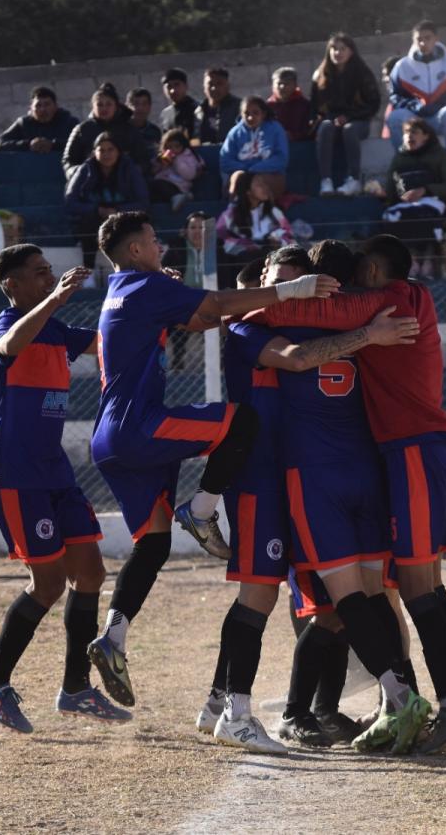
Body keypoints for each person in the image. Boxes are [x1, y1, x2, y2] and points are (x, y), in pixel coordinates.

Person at [83, 210, 337, 723]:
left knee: (152, 546)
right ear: (134, 250)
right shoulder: (142, 285)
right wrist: (292, 292)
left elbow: (201, 317)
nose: (162, 248)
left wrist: (179, 295)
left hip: (110, 437)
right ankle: (201, 510)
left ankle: (113, 635)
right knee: (241, 423)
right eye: (154, 240)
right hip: (140, 428)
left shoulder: (124, 289)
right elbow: (217, 305)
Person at [251, 233, 446, 755]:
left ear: (377, 272)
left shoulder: (390, 301)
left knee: (415, 587)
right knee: (419, 585)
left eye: (360, 275)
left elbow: (327, 312)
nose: (353, 286)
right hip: (407, 454)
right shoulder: (411, 297)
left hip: (411, 452)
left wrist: (249, 304)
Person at [197, 243, 424, 754]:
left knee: (335, 603)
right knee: (266, 594)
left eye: (307, 280)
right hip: (267, 477)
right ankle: (238, 706)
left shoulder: (324, 321)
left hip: (318, 474)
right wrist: (367, 332)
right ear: (264, 279)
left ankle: (337, 704)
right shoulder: (249, 324)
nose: (299, 290)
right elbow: (294, 357)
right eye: (287, 280)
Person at [0, 244, 131, 731]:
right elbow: (10, 345)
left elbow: (110, 340)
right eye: (39, 274)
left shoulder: (56, 331)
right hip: (16, 475)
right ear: (12, 286)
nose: (49, 279)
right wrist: (55, 300)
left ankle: (76, 689)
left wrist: (146, 294)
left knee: (92, 573)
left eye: (50, 273)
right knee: (49, 583)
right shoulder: (7, 325)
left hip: (54, 471)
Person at [65, 132, 151, 279]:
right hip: (94, 217)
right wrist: (96, 210)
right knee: (88, 225)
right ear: (94, 152)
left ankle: (128, 273)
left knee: (126, 229)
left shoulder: (129, 169)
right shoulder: (86, 169)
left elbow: (143, 202)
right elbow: (70, 201)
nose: (106, 154)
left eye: (110, 149)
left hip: (123, 215)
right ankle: (89, 274)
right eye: (101, 150)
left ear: (118, 151)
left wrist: (117, 211)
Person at [381, 117, 446, 278]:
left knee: (425, 216)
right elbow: (392, 188)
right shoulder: (399, 158)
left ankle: (429, 261)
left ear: (426, 136)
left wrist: (425, 190)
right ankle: (412, 262)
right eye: (406, 132)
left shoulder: (440, 155)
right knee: (394, 218)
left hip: (433, 203)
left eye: (414, 132)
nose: (409, 136)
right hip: (405, 204)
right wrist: (384, 193)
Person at [386, 21, 446, 166]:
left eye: (427, 38)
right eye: (419, 39)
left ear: (436, 39)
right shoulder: (402, 66)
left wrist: (441, 105)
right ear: (413, 41)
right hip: (415, 120)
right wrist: (413, 105)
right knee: (395, 117)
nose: (423, 43)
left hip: (441, 118)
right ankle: (404, 166)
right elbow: (394, 96)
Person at [311, 33, 381, 196]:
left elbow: (373, 104)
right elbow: (315, 107)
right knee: (325, 127)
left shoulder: (363, 73)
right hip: (332, 122)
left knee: (349, 129)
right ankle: (326, 181)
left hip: (359, 121)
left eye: (343, 49)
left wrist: (349, 117)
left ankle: (353, 180)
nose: (338, 53)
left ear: (351, 51)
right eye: (334, 49)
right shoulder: (320, 75)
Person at [216, 174, 295, 288]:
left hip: (271, 258)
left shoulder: (273, 212)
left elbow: (288, 235)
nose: (265, 187)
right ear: (248, 191)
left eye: (265, 184)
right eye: (259, 184)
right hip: (242, 263)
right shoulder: (232, 213)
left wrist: (279, 242)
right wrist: (245, 245)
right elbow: (220, 236)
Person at [62, 89, 150, 179]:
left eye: (108, 104)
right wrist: (81, 172)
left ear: (116, 106)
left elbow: (144, 160)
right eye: (100, 105)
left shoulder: (129, 130)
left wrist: (129, 172)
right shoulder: (82, 130)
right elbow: (68, 161)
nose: (104, 108)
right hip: (90, 184)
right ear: (93, 107)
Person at [219, 96, 290, 200]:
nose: (250, 118)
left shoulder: (276, 129)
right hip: (243, 174)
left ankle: (267, 212)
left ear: (263, 114)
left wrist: (256, 169)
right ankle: (235, 212)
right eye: (246, 114)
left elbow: (281, 159)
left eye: (255, 113)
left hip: (269, 175)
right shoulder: (234, 133)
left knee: (259, 183)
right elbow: (225, 161)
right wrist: (245, 170)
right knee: (238, 178)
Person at [0, 86, 79, 154]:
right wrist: (29, 145)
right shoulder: (24, 124)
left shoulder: (68, 121)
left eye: (47, 104)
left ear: (56, 106)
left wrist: (53, 145)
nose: (43, 109)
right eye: (38, 105)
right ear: (31, 108)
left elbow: (82, 144)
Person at [150, 128, 204, 212]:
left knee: (160, 184)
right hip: (164, 182)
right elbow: (153, 171)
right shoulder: (162, 157)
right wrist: (160, 163)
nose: (173, 149)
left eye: (176, 146)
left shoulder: (188, 156)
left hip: (180, 185)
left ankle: (178, 196)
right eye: (169, 147)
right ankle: (180, 197)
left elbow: (190, 175)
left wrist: (175, 162)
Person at [196, 68, 241, 145]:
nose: (214, 88)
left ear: (228, 86)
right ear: (204, 87)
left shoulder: (240, 108)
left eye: (219, 84)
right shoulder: (198, 111)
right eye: (210, 84)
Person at [267, 67, 312, 142]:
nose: (282, 87)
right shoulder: (268, 106)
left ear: (295, 85)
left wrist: (293, 135)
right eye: (279, 83)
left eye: (286, 84)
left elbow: (310, 130)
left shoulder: (304, 105)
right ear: (273, 86)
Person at [159, 68, 199, 141]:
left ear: (186, 86)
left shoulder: (198, 109)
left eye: (177, 85)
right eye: (169, 86)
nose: (173, 90)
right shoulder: (166, 114)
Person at [126, 88, 162, 157]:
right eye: (136, 104)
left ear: (149, 106)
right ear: (128, 106)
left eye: (144, 104)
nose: (140, 108)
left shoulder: (154, 131)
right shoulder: (122, 130)